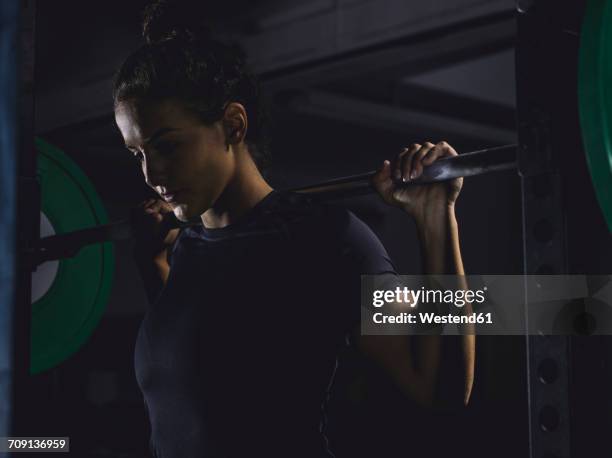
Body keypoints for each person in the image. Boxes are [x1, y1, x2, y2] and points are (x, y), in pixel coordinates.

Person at [114, 1, 475, 456]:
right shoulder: (185, 249)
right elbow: (197, 379)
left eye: (166, 145)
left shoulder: (326, 240)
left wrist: (435, 220)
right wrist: (153, 263)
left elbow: (439, 388)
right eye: (137, 153)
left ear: (232, 125)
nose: (152, 172)